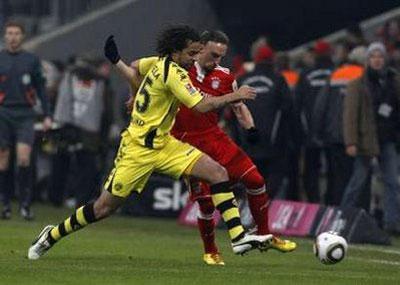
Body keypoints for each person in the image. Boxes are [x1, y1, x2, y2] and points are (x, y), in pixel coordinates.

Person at [28, 25, 272, 260]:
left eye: (197, 53)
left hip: (165, 144)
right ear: (175, 51)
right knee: (103, 208)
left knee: (218, 172)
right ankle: (52, 234)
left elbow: (135, 70)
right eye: (191, 53)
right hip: (138, 149)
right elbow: (201, 106)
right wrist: (235, 96)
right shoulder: (174, 74)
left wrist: (119, 66)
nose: (194, 58)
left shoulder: (156, 62)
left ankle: (238, 237)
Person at [163, 31, 295, 265]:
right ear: (200, 48)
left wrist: (251, 128)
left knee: (255, 180)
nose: (217, 61)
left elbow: (238, 106)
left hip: (215, 138)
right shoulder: (178, 70)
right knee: (206, 203)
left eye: (221, 57)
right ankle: (211, 250)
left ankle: (264, 233)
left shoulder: (225, 76)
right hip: (185, 142)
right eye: (213, 55)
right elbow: (145, 78)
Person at [342, 42, 400, 234]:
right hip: (365, 140)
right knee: (358, 181)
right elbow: (350, 115)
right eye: (373, 56)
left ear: (385, 60)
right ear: (367, 60)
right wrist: (350, 141)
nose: (377, 59)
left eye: (380, 56)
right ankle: (342, 218)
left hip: (388, 139)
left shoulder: (393, 81)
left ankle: (391, 224)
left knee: (392, 182)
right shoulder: (357, 84)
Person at [0, 20, 52, 220]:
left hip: (25, 113)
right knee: (3, 159)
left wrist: (47, 114)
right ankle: (5, 203)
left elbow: (41, 89)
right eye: (9, 33)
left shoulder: (31, 60)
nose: (13, 37)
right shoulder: (1, 58)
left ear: (22, 37)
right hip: (3, 112)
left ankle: (25, 204)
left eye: (16, 33)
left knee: (24, 158)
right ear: (5, 36)